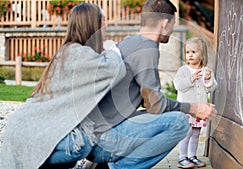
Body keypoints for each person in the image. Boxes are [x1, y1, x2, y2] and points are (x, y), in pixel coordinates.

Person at [88, 0, 218, 168]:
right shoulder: (147, 48)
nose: (171, 31)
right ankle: (122, 166)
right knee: (179, 122)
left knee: (161, 116)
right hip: (104, 139)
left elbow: (149, 102)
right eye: (172, 24)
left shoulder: (130, 42)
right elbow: (156, 104)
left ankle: (106, 164)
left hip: (96, 134)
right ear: (164, 23)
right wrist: (194, 108)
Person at [0, 3, 126, 169]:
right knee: (81, 146)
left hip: (24, 126)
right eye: (103, 20)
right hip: (28, 131)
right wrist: (111, 46)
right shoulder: (78, 53)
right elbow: (115, 69)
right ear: (92, 24)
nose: (106, 25)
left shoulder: (69, 51)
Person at [174, 37, 218, 168]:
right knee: (186, 133)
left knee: (196, 134)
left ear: (202, 54)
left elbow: (212, 88)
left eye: (194, 52)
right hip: (187, 109)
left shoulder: (206, 71)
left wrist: (208, 80)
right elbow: (178, 86)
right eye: (188, 52)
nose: (190, 55)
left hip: (200, 109)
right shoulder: (183, 70)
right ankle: (182, 158)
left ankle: (192, 156)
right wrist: (191, 78)